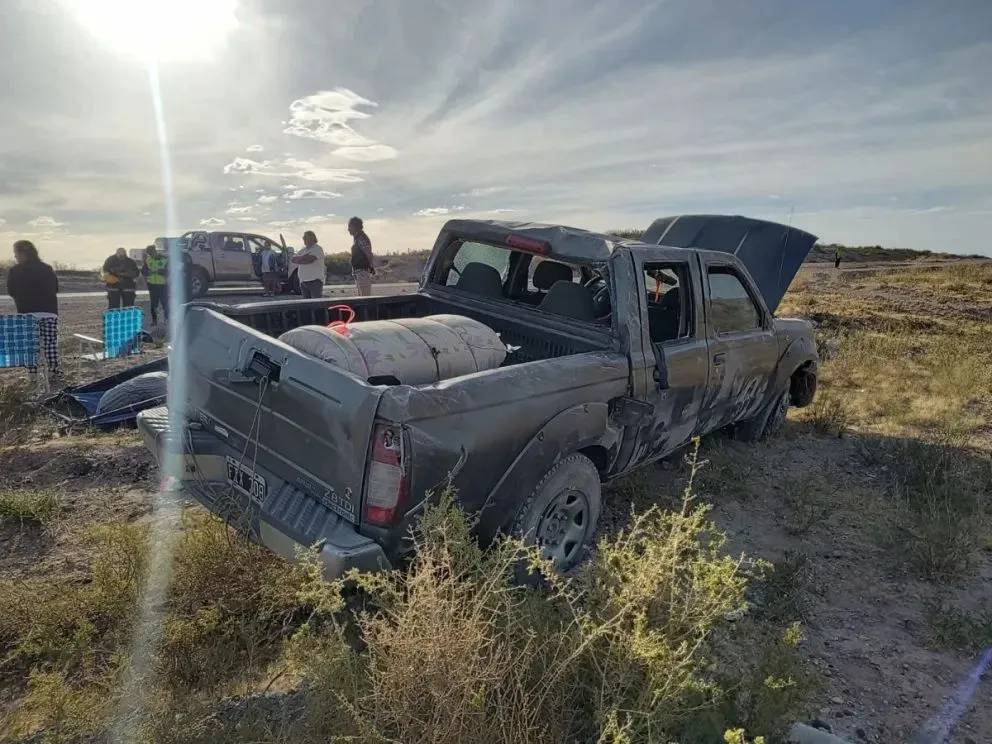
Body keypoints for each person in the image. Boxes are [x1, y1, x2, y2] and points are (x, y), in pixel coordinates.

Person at [5, 240, 61, 385]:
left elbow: (11, 291)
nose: (15, 256)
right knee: (49, 343)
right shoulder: (47, 268)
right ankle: (53, 371)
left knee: (30, 345)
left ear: (22, 254)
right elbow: (56, 288)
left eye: (16, 253)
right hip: (48, 311)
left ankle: (33, 374)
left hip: (27, 313)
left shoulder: (16, 271)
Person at [291, 230, 326, 299]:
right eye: (303, 237)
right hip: (303, 281)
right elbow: (293, 260)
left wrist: (299, 259)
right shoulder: (303, 250)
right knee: (307, 305)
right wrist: (302, 257)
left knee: (316, 304)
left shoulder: (317, 249)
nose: (304, 238)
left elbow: (309, 260)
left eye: (306, 237)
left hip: (314, 281)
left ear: (312, 238)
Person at [141, 243, 169, 325]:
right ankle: (154, 320)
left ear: (155, 251)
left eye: (152, 253)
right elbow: (143, 271)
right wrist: (148, 272)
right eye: (149, 254)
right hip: (152, 285)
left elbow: (170, 271)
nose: (151, 255)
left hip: (163, 285)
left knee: (165, 304)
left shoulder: (164, 259)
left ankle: (166, 319)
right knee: (153, 305)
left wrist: (160, 271)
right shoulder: (148, 260)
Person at [348, 216, 375, 296]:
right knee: (362, 297)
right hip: (360, 272)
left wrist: (370, 266)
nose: (348, 229)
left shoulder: (361, 238)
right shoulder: (358, 238)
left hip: (362, 271)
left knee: (365, 298)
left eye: (350, 226)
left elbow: (369, 253)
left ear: (355, 227)